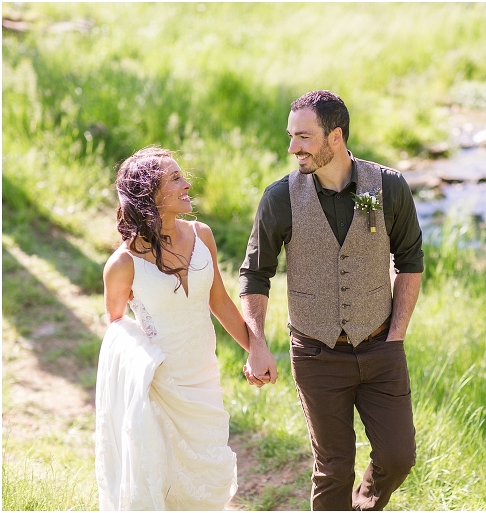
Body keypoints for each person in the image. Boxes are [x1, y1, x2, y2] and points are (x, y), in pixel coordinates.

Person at [240, 90, 424, 510]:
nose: (292, 148)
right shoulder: (280, 198)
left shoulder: (390, 186)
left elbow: (410, 260)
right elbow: (255, 273)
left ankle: (363, 505)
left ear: (335, 136)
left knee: (398, 457)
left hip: (381, 346)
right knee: (334, 467)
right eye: (290, 136)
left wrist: (396, 336)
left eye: (303, 137)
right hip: (316, 353)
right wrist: (258, 344)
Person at [95, 146, 255, 510]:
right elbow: (117, 326)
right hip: (158, 385)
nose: (187, 184)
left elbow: (220, 302)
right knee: (165, 481)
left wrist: (256, 349)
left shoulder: (203, 236)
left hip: (203, 376)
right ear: (150, 195)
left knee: (206, 473)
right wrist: (143, 366)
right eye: (175, 178)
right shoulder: (122, 264)